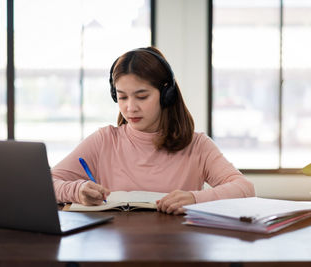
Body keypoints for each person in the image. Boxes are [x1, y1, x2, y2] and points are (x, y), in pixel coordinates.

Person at [51, 47, 255, 215]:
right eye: (122, 97)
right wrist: (77, 191)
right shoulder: (104, 140)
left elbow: (245, 188)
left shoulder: (197, 145)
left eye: (141, 97)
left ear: (166, 95)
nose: (130, 107)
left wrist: (195, 199)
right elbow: (47, 183)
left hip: (177, 250)